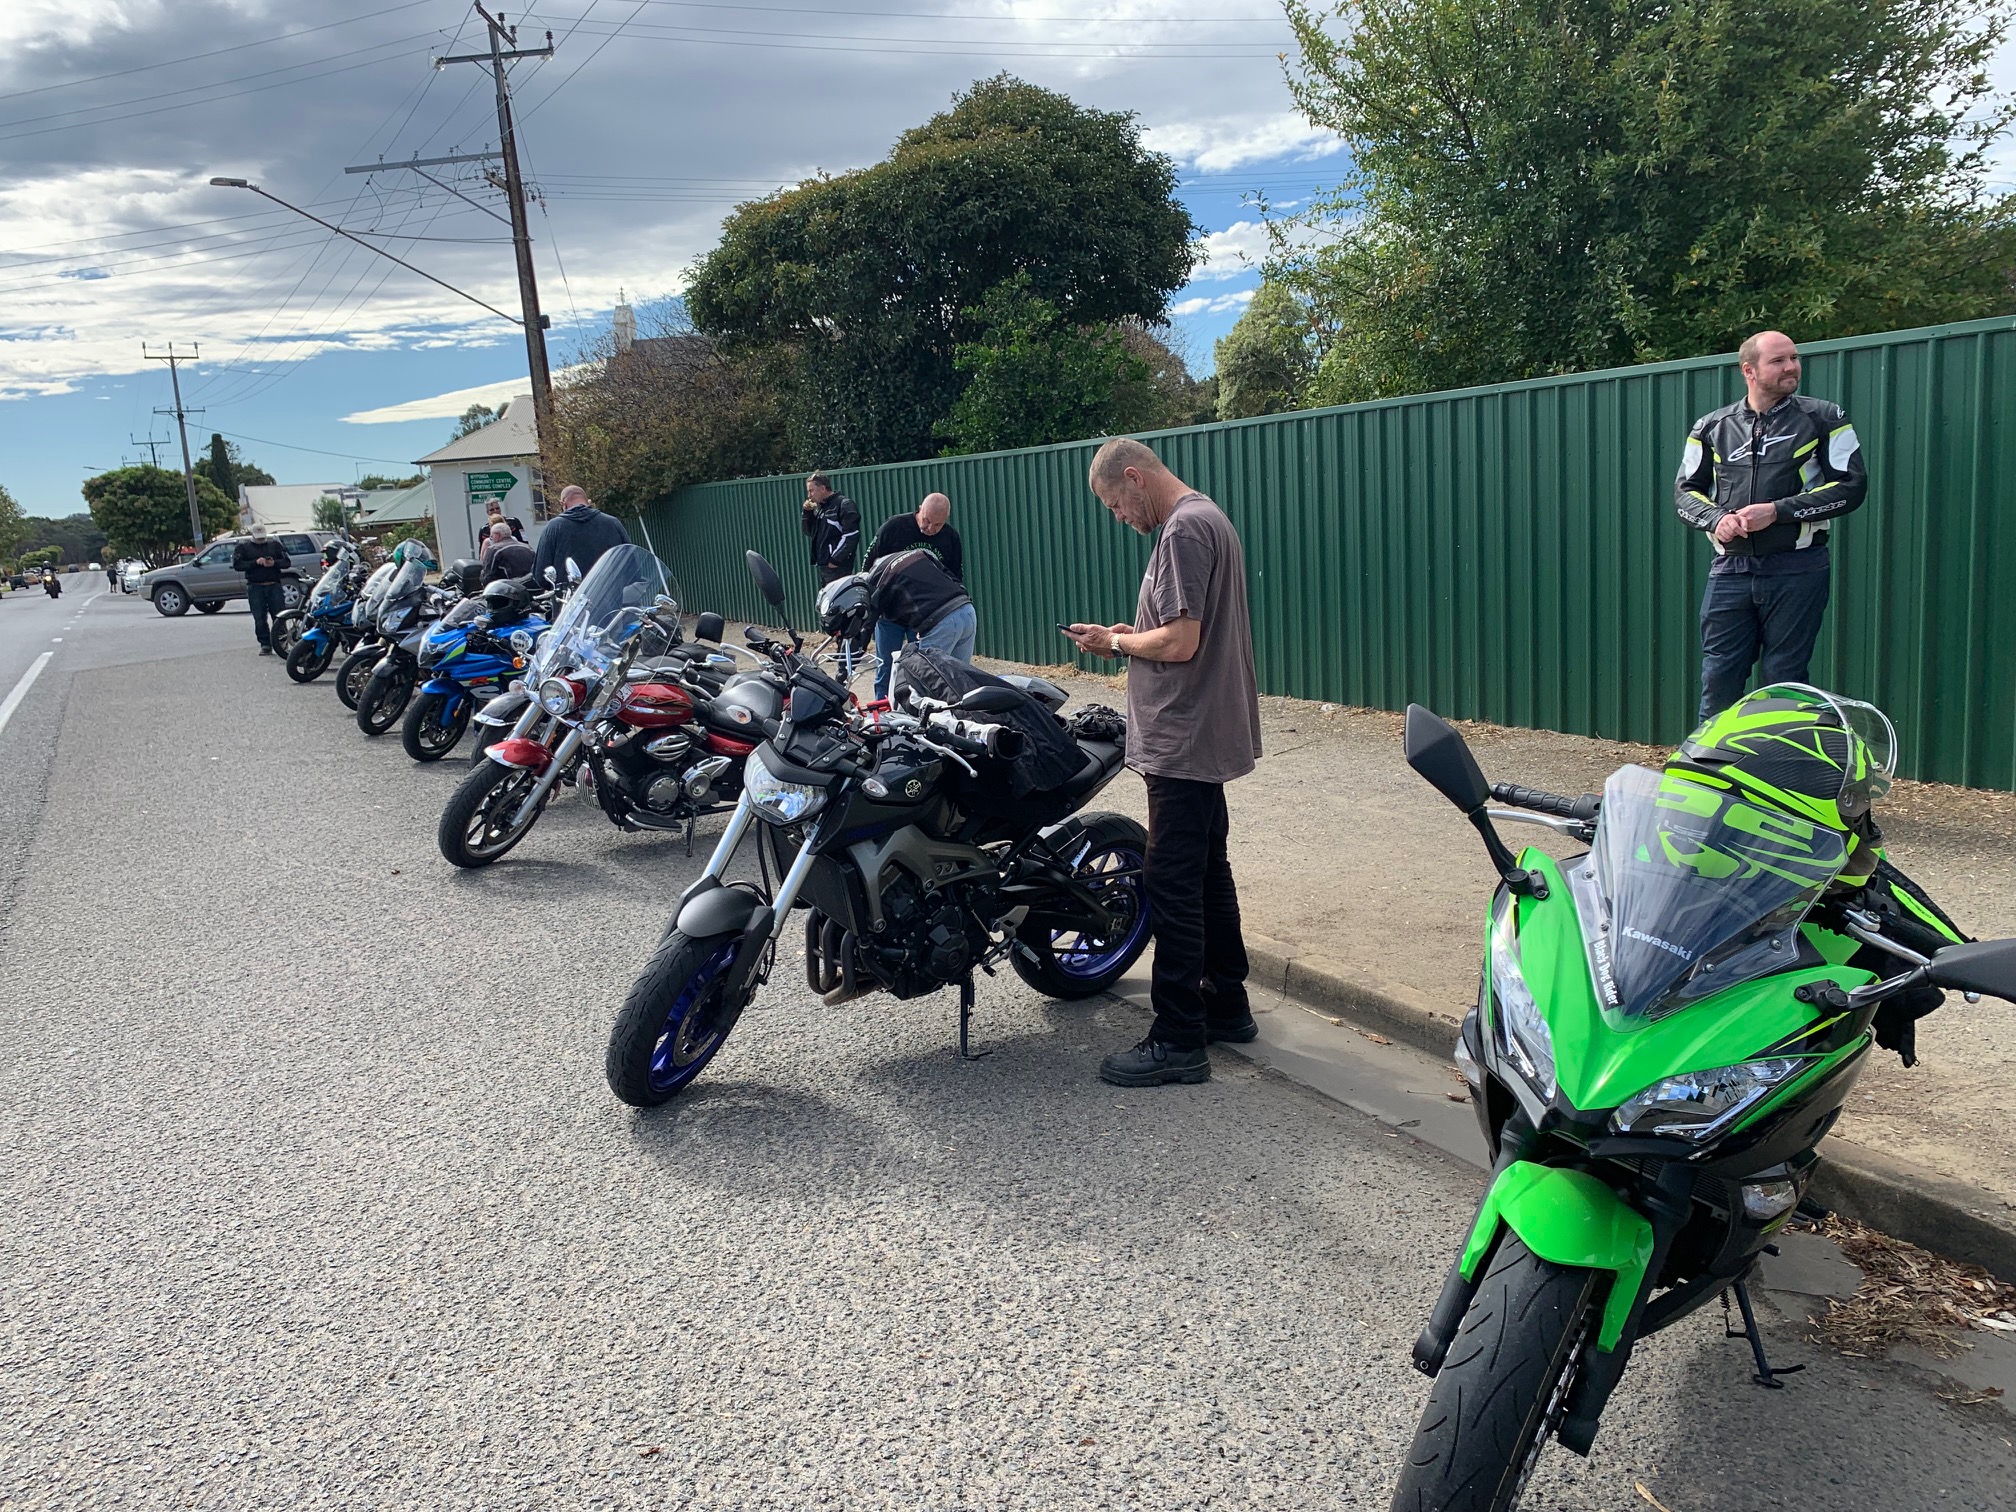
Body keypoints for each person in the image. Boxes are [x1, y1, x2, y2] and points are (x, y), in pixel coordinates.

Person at [1066, 437, 1262, 1088]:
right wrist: (1126, 634)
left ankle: (1178, 1037)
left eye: (1115, 504)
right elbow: (1177, 629)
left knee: (1171, 880)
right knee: (1206, 869)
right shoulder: (1208, 517)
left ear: (1135, 478)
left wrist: (1118, 643)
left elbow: (1180, 642)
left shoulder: (1182, 530)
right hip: (1201, 731)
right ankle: (1226, 1003)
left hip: (1184, 734)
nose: (1119, 517)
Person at [1675, 330, 1867, 722]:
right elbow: (1684, 493)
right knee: (1719, 675)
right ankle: (1714, 761)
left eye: (1794, 358)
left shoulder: (1824, 417)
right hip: (1730, 569)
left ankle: (1778, 759)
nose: (1791, 367)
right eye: (1778, 361)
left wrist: (1777, 511)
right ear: (1749, 370)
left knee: (1784, 678)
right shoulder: (1711, 426)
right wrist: (1717, 519)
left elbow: (1851, 487)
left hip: (1799, 566)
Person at [864, 493, 966, 699]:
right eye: (926, 521)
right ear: (920, 509)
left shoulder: (950, 537)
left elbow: (954, 577)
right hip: (890, 613)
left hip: (923, 616)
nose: (930, 528)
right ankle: (880, 710)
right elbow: (869, 568)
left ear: (946, 519)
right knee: (886, 666)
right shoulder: (894, 527)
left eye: (937, 525)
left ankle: (916, 708)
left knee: (922, 668)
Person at [861, 547, 975, 694]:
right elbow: (951, 576)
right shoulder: (919, 554)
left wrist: (853, 657)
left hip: (941, 621)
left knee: (925, 684)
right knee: (960, 681)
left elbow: (867, 625)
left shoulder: (879, 580)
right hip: (966, 609)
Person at [533, 485, 629, 583]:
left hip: (571, 592)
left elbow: (540, 574)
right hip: (610, 591)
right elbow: (631, 562)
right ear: (588, 502)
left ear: (563, 504)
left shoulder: (553, 527)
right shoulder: (613, 523)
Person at [232, 522, 289, 653]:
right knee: (259, 618)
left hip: (274, 585)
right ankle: (265, 644)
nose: (261, 540)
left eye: (262, 537)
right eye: (258, 538)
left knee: (279, 616)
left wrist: (274, 563)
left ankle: (282, 642)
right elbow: (237, 565)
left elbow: (287, 562)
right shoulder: (243, 547)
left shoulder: (275, 545)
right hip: (255, 586)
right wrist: (255, 563)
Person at [802, 472, 860, 589]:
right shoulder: (822, 507)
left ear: (823, 488)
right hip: (824, 566)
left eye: (811, 491)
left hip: (837, 567)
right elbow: (809, 531)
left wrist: (835, 560)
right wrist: (807, 513)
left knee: (838, 597)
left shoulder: (844, 505)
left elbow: (851, 535)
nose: (809, 496)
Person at [480, 520, 535, 586]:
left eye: (491, 537)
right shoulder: (529, 548)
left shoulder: (493, 550)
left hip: (509, 589)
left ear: (497, 535)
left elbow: (487, 577)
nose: (492, 539)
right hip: (533, 588)